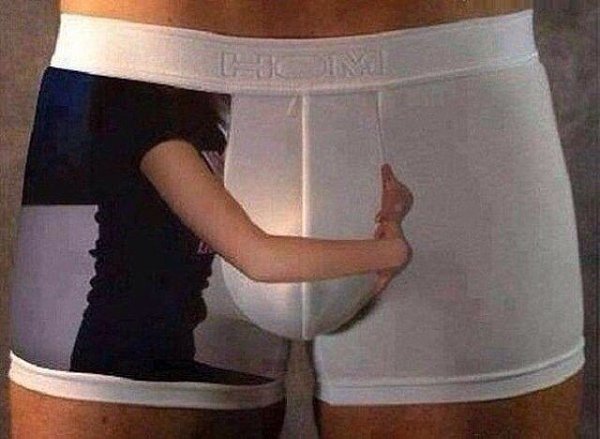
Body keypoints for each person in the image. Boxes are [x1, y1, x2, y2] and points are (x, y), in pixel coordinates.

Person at [8, 1, 585, 438]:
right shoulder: (139, 121)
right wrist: (389, 251)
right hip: (134, 62)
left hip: (448, 89)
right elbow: (257, 255)